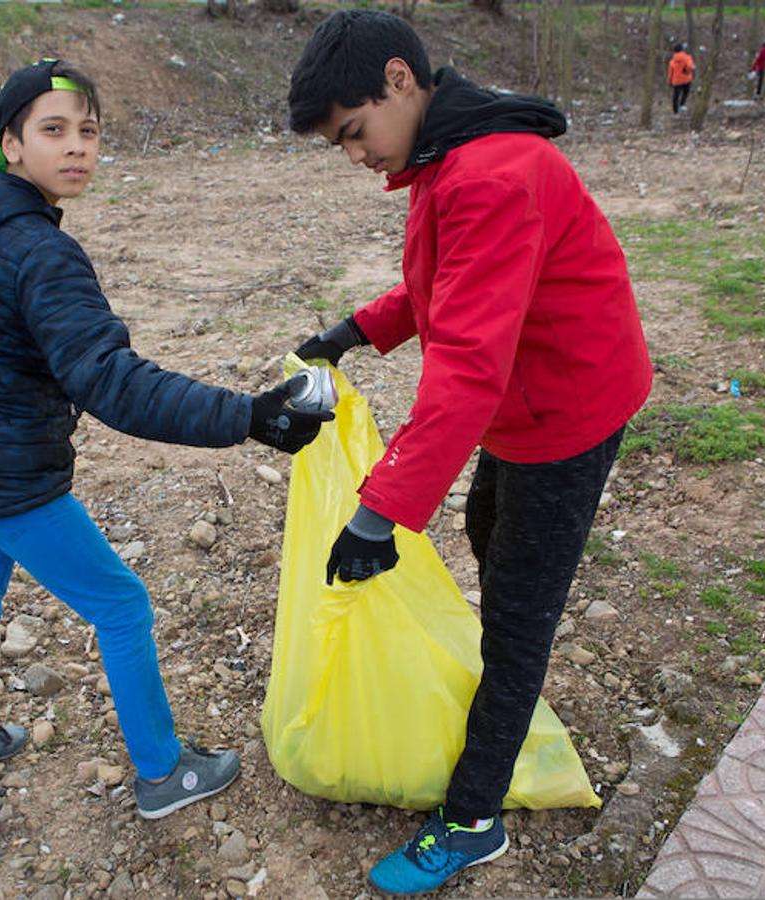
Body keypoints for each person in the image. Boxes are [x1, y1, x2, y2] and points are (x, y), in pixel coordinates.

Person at [0, 59, 332, 819]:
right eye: (53, 130)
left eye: (89, 131)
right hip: (11, 482)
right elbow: (108, 378)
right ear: (9, 144)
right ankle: (161, 771)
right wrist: (245, 415)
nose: (76, 147)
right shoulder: (39, 252)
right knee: (121, 605)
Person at [287, 11, 652, 895]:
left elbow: (467, 371)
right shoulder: (448, 156)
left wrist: (379, 512)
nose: (355, 156)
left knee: (520, 611)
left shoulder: (489, 172)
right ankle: (502, 693)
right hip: (531, 404)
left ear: (399, 82)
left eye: (353, 132)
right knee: (495, 546)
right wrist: (354, 331)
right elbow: (438, 286)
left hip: (565, 410)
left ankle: (472, 816)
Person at [668, 42, 695, 114]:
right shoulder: (687, 58)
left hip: (676, 81)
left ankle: (675, 111)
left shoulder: (672, 61)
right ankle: (682, 105)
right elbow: (690, 67)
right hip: (686, 79)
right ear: (682, 50)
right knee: (685, 92)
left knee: (676, 96)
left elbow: (670, 72)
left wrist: (670, 81)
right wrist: (687, 72)